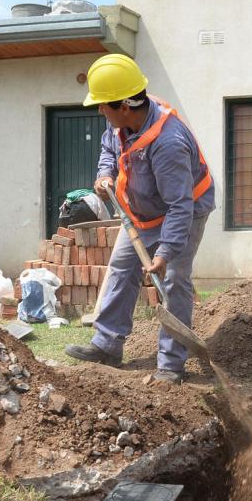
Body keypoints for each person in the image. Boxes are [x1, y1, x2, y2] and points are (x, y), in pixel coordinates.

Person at [65, 54, 214, 383]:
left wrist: (165, 253)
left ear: (124, 106)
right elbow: (109, 147)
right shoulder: (121, 118)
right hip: (141, 211)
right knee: (122, 267)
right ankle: (107, 345)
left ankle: (171, 364)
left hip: (185, 211)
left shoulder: (168, 143)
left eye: (103, 106)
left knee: (174, 280)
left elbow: (180, 206)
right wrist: (105, 174)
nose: (99, 111)